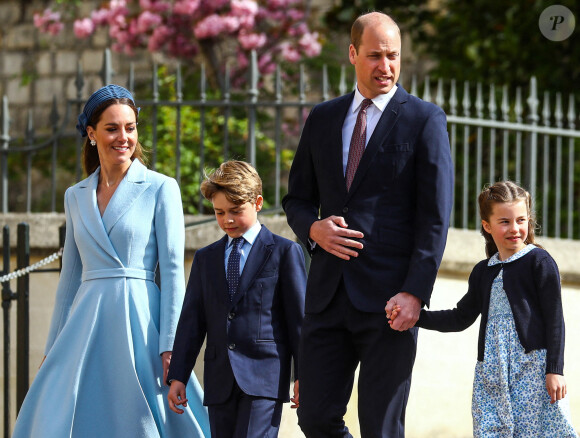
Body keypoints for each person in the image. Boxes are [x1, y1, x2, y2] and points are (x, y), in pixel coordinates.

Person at [282, 11, 454, 438]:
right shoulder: (322, 118)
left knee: (380, 427)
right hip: (326, 297)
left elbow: (435, 217)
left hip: (390, 302)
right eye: (375, 55)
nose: (386, 66)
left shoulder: (423, 119)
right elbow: (297, 199)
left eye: (393, 56)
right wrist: (313, 229)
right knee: (315, 417)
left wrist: (415, 291)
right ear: (353, 54)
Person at [12, 84, 210, 437]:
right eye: (112, 128)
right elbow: (69, 281)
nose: (124, 137)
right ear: (91, 133)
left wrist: (171, 346)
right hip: (85, 328)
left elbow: (174, 272)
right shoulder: (75, 196)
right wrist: (51, 349)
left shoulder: (161, 187)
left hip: (139, 323)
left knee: (142, 418)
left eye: (130, 128)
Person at [388, 181, 578, 437]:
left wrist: (554, 370)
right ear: (487, 226)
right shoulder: (482, 271)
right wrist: (416, 317)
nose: (515, 228)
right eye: (505, 222)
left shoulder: (539, 262)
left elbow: (555, 320)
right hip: (492, 371)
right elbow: (460, 317)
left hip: (532, 370)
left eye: (521, 220)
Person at [166, 160, 307, 437]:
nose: (227, 220)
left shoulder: (284, 252)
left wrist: (304, 374)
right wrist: (178, 375)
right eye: (219, 212)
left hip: (264, 378)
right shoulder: (205, 259)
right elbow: (192, 321)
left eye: (235, 211)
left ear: (257, 202)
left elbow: (299, 321)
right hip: (219, 381)